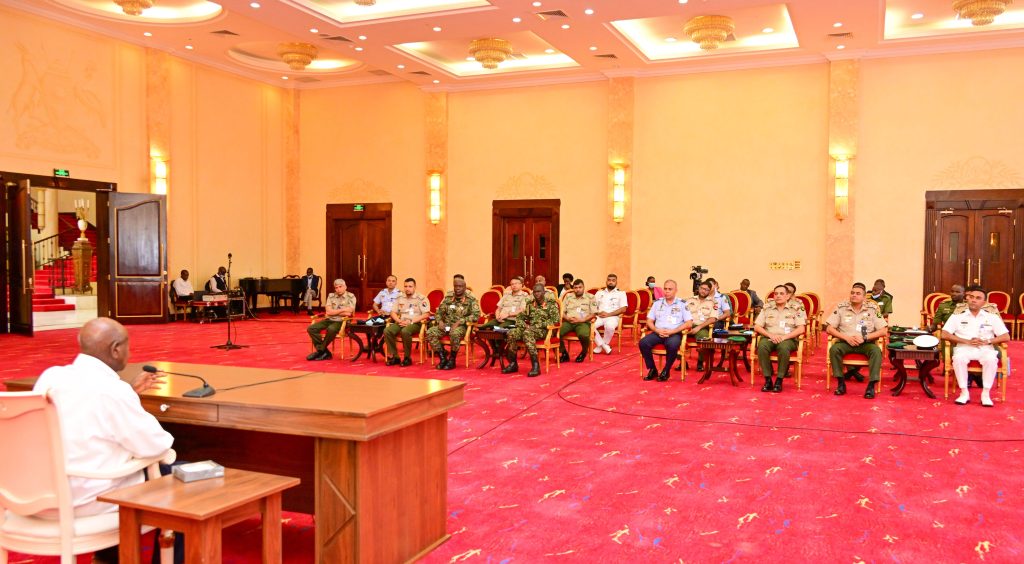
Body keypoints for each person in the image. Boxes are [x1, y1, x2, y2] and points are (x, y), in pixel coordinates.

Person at [32, 319, 172, 514]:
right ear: (115, 349)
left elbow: (81, 408)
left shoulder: (50, 377)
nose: (130, 353)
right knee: (185, 481)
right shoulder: (113, 390)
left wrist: (129, 393)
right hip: (93, 499)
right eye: (128, 347)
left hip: (41, 495)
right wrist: (127, 397)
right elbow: (156, 445)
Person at [941, 284, 1010, 407]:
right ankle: (964, 392)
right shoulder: (957, 316)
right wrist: (965, 341)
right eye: (971, 297)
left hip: (984, 348)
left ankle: (986, 394)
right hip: (964, 348)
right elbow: (944, 334)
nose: (973, 299)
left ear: (984, 302)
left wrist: (987, 341)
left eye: (978, 298)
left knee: (991, 359)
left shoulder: (992, 317)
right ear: (967, 298)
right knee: (958, 359)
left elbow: (1006, 336)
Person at [825, 282, 888, 398]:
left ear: (864, 297)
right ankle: (841, 383)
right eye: (852, 293)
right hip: (845, 343)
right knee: (834, 349)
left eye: (858, 294)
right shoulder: (841, 308)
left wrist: (865, 337)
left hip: (865, 343)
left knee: (876, 351)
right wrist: (846, 338)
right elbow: (829, 328)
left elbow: (883, 330)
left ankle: (871, 386)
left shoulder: (872, 309)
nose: (854, 295)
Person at [753, 284, 806, 393]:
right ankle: (768, 380)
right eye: (776, 293)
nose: (778, 296)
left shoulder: (795, 308)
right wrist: (770, 335)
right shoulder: (767, 307)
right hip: (769, 337)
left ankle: (779, 380)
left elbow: (801, 329)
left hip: (787, 339)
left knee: (783, 348)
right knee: (762, 347)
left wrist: (784, 337)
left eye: (781, 293)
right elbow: (757, 326)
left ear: (787, 296)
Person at [639, 280, 693, 382]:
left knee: (672, 345)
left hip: (674, 333)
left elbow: (689, 323)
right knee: (643, 343)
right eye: (665, 289)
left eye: (670, 289)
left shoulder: (682, 304)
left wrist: (673, 331)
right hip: (658, 332)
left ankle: (666, 371)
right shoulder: (657, 303)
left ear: (676, 290)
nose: (667, 291)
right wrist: (656, 330)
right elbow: (649, 321)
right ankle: (652, 369)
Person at [502, 283, 560, 377]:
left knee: (527, 334)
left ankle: (535, 366)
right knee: (511, 333)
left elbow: (555, 320)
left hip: (544, 330)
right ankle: (513, 364)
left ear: (544, 292)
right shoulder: (531, 304)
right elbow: (520, 317)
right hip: (530, 329)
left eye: (539, 291)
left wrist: (538, 325)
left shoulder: (551, 304)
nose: (537, 294)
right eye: (535, 292)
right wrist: (524, 325)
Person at [426, 275, 481, 370]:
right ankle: (442, 357)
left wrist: (460, 321)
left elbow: (476, 315)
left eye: (460, 286)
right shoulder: (448, 298)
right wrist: (440, 321)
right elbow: (439, 312)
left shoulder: (470, 300)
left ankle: (452, 359)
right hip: (446, 326)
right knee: (430, 332)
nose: (457, 288)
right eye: (456, 286)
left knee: (454, 333)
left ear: (464, 287)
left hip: (462, 327)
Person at [383, 278, 430, 366]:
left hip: (415, 323)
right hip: (401, 321)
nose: (407, 288)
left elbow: (426, 314)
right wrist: (398, 320)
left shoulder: (421, 298)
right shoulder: (399, 297)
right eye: (405, 286)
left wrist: (411, 321)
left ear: (414, 287)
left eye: (410, 286)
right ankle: (395, 357)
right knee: (387, 331)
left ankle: (407, 358)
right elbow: (393, 312)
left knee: (405, 331)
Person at [306, 279, 356, 361]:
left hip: (342, 321)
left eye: (340, 287)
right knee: (311, 328)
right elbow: (328, 311)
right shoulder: (331, 296)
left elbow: (349, 312)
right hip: (329, 319)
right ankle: (324, 352)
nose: (338, 289)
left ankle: (320, 351)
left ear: (345, 287)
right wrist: (342, 310)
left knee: (331, 329)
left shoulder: (351, 296)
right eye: (336, 287)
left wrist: (334, 312)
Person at [559, 279, 597, 363]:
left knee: (583, 335)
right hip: (569, 321)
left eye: (580, 287)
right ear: (573, 288)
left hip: (583, 322)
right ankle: (564, 353)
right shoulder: (568, 296)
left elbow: (594, 313)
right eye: (575, 287)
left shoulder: (590, 297)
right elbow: (561, 311)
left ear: (583, 287)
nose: (578, 289)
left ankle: (583, 352)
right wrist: (567, 318)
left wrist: (582, 319)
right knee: (556, 332)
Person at [592, 273, 628, 354]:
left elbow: (623, 309)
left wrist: (609, 314)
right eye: (609, 280)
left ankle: (601, 345)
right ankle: (604, 346)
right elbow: (592, 306)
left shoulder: (621, 293)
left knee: (610, 326)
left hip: (613, 316)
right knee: (589, 326)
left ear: (616, 282)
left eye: (613, 280)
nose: (611, 282)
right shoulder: (599, 293)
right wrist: (598, 312)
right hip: (600, 316)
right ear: (606, 281)